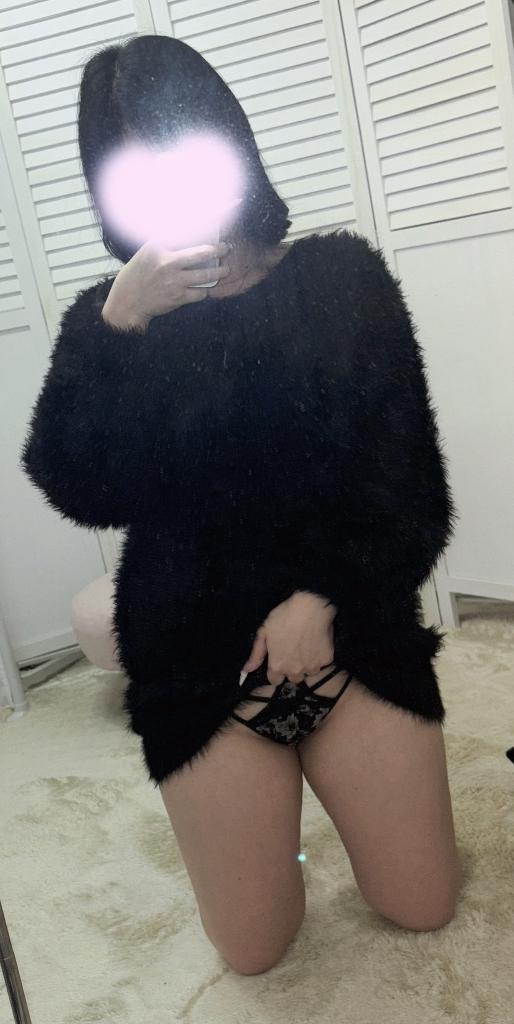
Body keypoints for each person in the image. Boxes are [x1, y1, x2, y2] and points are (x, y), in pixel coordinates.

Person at [19, 35, 463, 975]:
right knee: (255, 950)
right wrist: (120, 328)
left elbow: (411, 482)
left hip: (351, 628)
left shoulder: (342, 278)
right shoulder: (112, 319)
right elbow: (78, 483)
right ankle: (277, 844)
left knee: (421, 905)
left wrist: (323, 599)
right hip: (197, 660)